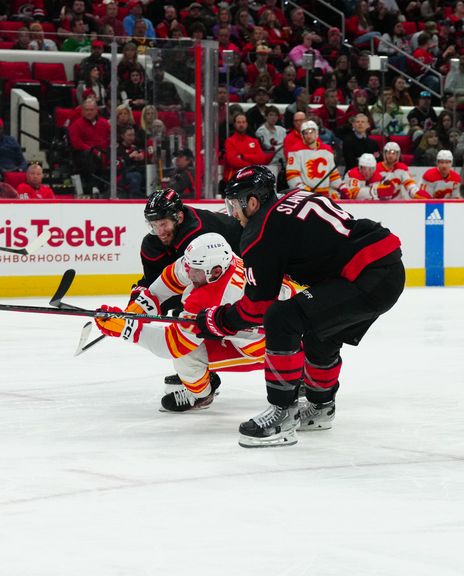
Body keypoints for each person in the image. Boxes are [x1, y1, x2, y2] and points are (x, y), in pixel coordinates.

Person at [194, 166, 404, 447]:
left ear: (252, 202)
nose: (232, 212)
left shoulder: (260, 231)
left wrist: (216, 321)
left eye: (234, 204)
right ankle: (321, 408)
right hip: (385, 269)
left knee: (282, 318)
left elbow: (256, 309)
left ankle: (283, 413)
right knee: (320, 332)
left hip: (367, 277)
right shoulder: (296, 196)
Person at [95, 233, 298, 412]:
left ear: (216, 272)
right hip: (288, 314)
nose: (189, 275)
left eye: (195, 272)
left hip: (265, 345)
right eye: (189, 267)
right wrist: (140, 307)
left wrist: (126, 328)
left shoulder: (213, 296)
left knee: (186, 356)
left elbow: (172, 345)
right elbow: (172, 276)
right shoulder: (219, 261)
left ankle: (201, 395)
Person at [286, 120, 347, 198]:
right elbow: (292, 176)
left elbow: (333, 174)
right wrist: (304, 190)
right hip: (305, 196)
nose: (309, 135)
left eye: (311, 132)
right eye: (306, 133)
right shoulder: (295, 150)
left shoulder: (327, 150)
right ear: (302, 135)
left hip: (325, 194)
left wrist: (342, 187)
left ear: (316, 133)